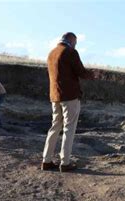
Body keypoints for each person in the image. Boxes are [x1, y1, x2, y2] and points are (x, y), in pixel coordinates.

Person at [41, 32, 95, 172]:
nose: (75, 45)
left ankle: (46, 161)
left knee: (54, 127)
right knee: (69, 129)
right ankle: (65, 163)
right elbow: (81, 72)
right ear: (71, 40)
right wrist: (93, 74)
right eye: (75, 42)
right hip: (69, 96)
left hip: (55, 96)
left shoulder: (51, 53)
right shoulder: (71, 52)